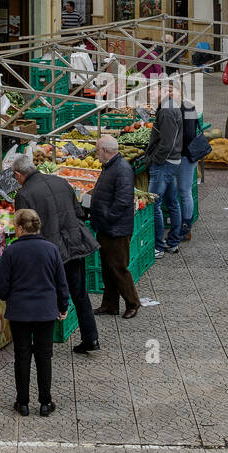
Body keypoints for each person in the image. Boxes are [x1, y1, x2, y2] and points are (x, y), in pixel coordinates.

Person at [12, 156, 100, 355]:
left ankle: (44, 344)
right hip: (74, 244)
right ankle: (91, 337)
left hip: (49, 251)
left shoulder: (24, 194)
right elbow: (79, 212)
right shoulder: (61, 181)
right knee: (79, 293)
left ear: (18, 174)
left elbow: (24, 228)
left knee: (46, 294)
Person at [0, 207, 68, 417]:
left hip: (19, 313)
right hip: (45, 311)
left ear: (18, 228)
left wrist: (9, 298)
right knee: (44, 356)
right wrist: (63, 306)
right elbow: (61, 283)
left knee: (22, 356)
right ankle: (45, 402)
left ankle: (23, 402)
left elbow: (2, 286)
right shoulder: (51, 249)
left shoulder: (10, 251)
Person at [88, 134, 141, 319]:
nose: (96, 154)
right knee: (108, 268)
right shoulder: (111, 166)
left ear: (104, 151)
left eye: (97, 151)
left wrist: (108, 217)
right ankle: (109, 304)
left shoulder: (122, 169)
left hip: (116, 229)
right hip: (106, 227)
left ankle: (133, 303)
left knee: (118, 267)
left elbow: (123, 200)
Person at [145, 83, 183, 256]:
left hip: (164, 163)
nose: (150, 92)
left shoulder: (167, 111)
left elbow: (167, 142)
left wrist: (155, 160)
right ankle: (173, 241)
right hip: (171, 161)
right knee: (172, 202)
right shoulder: (167, 108)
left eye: (153, 89)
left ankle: (159, 246)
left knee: (154, 204)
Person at [177, 90, 203, 242]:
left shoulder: (186, 107)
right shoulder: (183, 106)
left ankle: (186, 228)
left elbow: (188, 134)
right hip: (184, 154)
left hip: (186, 155)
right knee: (181, 191)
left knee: (184, 191)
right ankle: (182, 225)